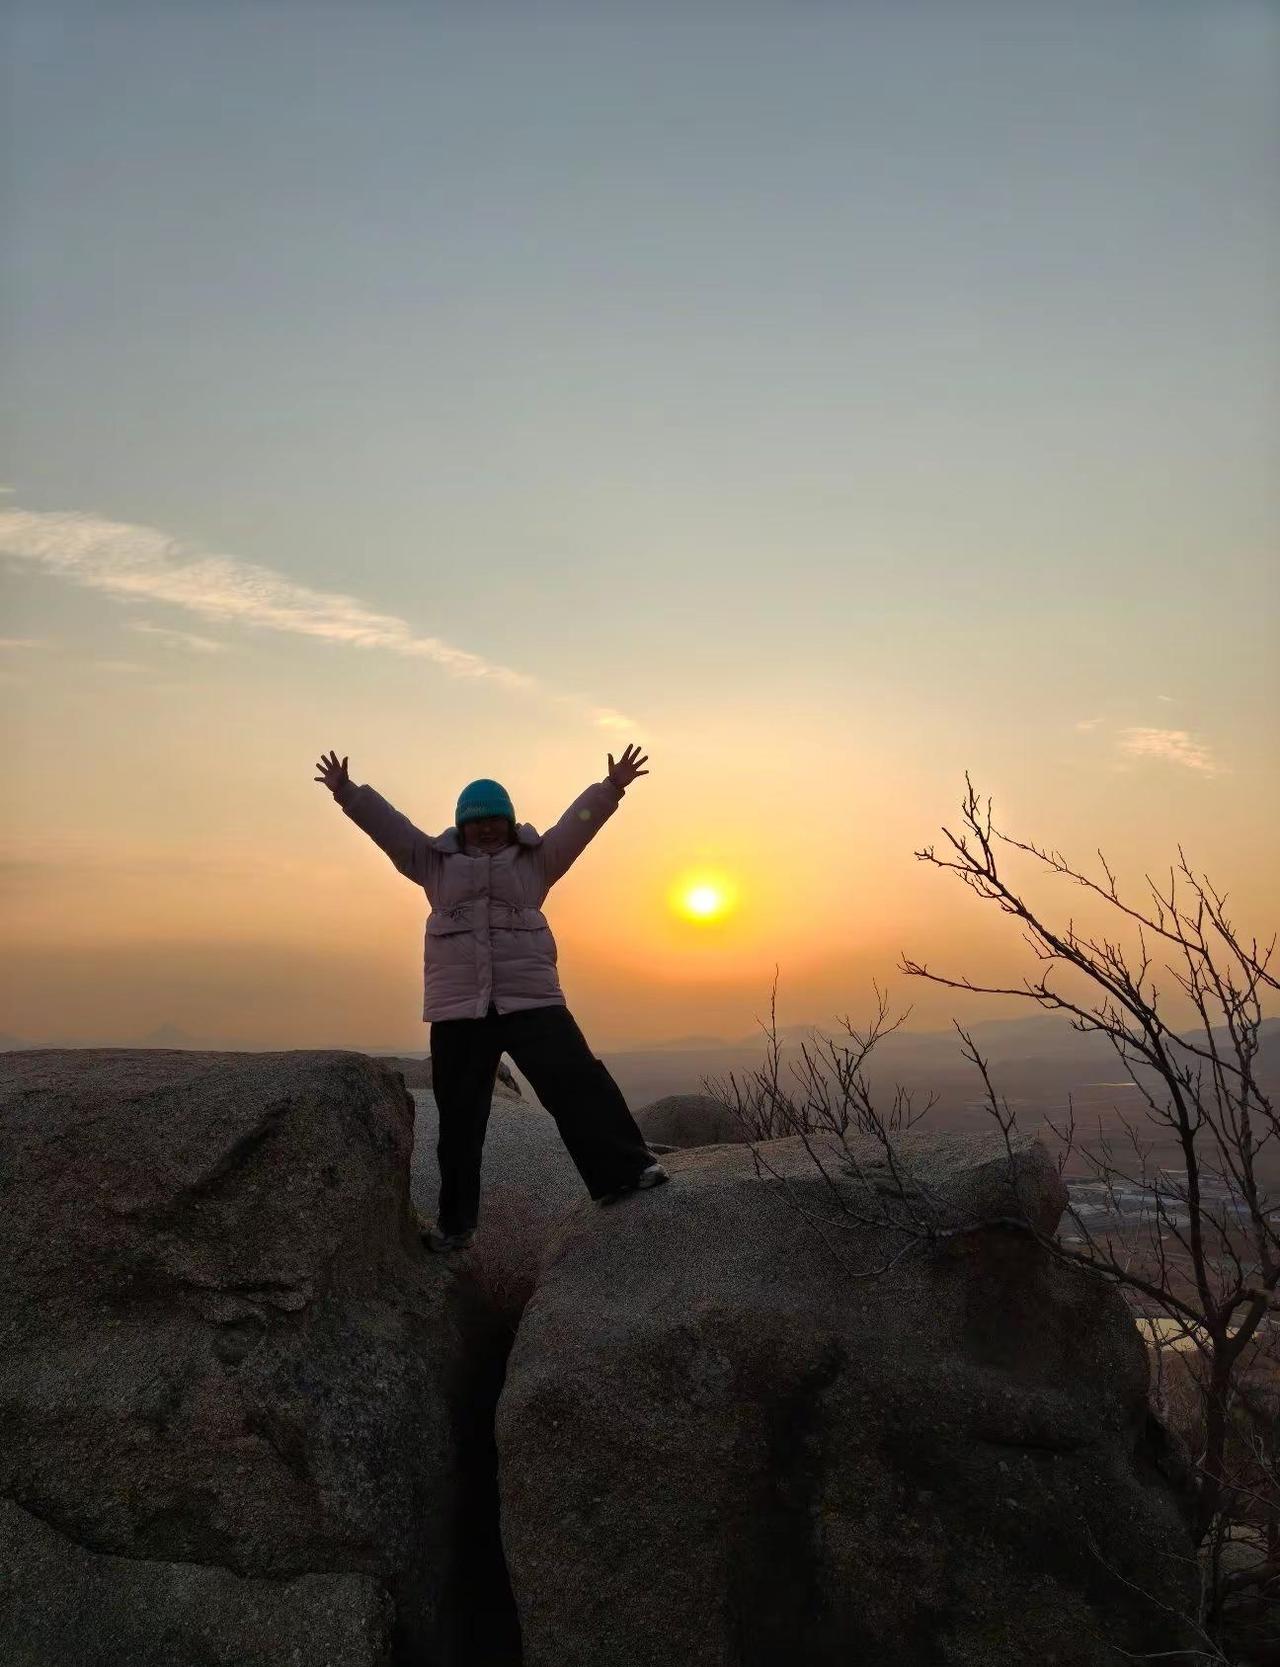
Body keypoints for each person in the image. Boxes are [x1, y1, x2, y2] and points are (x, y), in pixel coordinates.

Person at [314, 743, 669, 1251]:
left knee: (579, 1083)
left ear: (509, 821)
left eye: (494, 820)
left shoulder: (537, 861)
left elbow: (576, 827)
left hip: (532, 1001)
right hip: (460, 1011)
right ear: (461, 825)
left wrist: (611, 788)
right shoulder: (432, 863)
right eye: (476, 821)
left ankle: (626, 1171)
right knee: (460, 1119)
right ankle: (456, 1225)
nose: (486, 828)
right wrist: (348, 793)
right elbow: (391, 828)